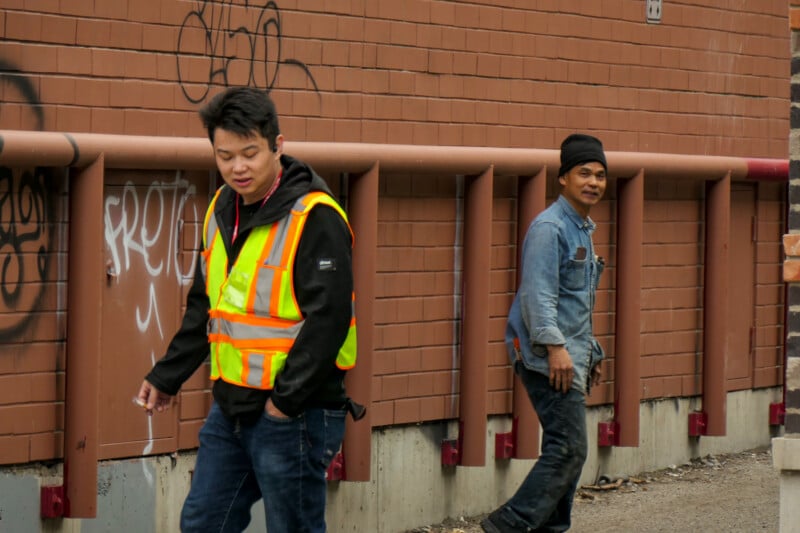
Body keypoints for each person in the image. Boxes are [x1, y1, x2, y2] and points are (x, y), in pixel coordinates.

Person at [135, 86, 362, 533]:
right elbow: (207, 306)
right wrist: (167, 376)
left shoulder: (314, 215)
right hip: (232, 405)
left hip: (295, 410)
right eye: (224, 156)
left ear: (279, 145)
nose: (237, 167)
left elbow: (328, 322)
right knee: (204, 523)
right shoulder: (222, 208)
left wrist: (283, 404)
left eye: (250, 153)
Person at [482, 134, 608, 533]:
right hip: (545, 355)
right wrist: (556, 348)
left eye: (600, 175)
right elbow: (538, 296)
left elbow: (575, 302)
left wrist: (592, 351)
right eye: (584, 173)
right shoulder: (549, 228)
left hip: (570, 353)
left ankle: (549, 529)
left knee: (567, 452)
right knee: (568, 448)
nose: (593, 182)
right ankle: (509, 525)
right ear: (563, 179)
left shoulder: (581, 228)